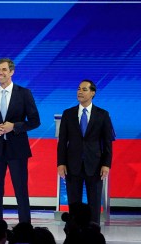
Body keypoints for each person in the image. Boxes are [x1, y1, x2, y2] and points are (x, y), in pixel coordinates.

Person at [0, 58, 40, 223]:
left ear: (12, 72)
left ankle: (25, 228)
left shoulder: (24, 93)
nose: (0, 72)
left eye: (4, 69)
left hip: (17, 149)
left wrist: (14, 126)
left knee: (21, 190)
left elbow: (35, 121)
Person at [57, 80, 114, 224]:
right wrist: (61, 163)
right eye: (78, 89)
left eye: (84, 89)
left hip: (94, 165)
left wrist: (106, 164)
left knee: (94, 203)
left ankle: (93, 232)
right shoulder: (68, 114)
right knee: (74, 203)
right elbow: (62, 141)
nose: (80, 92)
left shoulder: (102, 114)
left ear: (93, 93)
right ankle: (74, 232)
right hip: (72, 165)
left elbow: (107, 143)